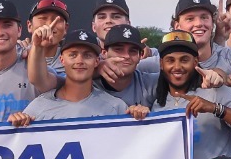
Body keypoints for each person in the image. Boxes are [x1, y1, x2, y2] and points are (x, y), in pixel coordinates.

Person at [148, 30, 231, 159]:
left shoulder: (216, 92)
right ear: (161, 64)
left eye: (184, 59)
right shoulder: (157, 104)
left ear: (195, 61)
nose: (177, 67)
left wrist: (215, 108)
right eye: (170, 60)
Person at [14, 30, 144, 123]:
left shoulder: (116, 107)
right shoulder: (38, 107)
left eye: (87, 55)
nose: (80, 61)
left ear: (97, 61)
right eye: (73, 55)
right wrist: (17, 123)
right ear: (62, 60)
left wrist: (139, 114)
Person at [170, 0, 231, 75]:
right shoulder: (166, 60)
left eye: (204, 17)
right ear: (177, 26)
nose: (199, 23)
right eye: (190, 19)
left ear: (212, 23)